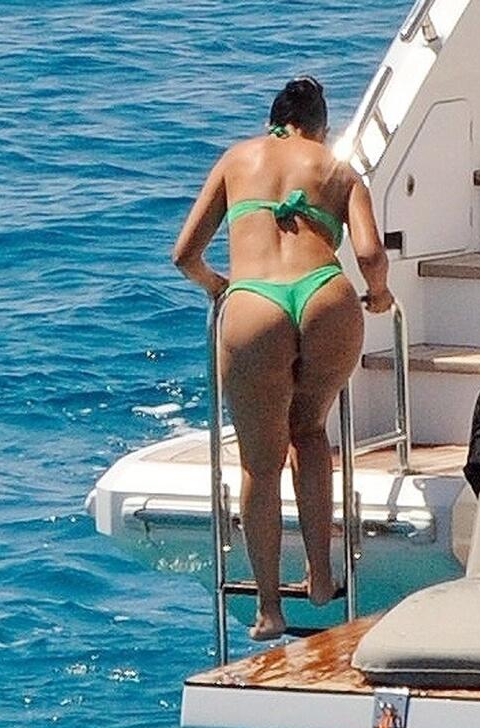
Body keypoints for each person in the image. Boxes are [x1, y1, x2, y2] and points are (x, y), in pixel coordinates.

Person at [173, 76, 394, 641]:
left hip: (254, 303)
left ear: (272, 122)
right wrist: (379, 294)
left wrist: (219, 287)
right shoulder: (338, 169)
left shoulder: (236, 159)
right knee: (310, 433)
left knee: (260, 464)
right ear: (321, 129)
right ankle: (320, 578)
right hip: (325, 295)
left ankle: (269, 609)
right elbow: (370, 253)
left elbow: (185, 254)